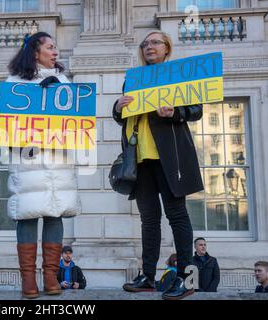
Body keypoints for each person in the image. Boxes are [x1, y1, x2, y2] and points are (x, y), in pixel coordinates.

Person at [115, 30, 203, 300]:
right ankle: (148, 277)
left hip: (170, 158)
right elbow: (123, 116)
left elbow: (196, 110)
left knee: (177, 216)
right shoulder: (133, 79)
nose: (148, 47)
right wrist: (117, 107)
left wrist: (174, 112)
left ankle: (187, 280)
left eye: (155, 42)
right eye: (145, 44)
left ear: (167, 48)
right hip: (140, 159)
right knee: (149, 220)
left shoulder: (179, 76)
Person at [6, 32, 82, 299]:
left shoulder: (63, 80)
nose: (55, 52)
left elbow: (76, 119)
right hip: (29, 157)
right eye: (50, 47)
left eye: (56, 47)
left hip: (58, 157)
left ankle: (51, 276)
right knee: (28, 211)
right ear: (35, 52)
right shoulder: (14, 82)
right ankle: (28, 279)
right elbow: (6, 121)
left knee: (55, 212)